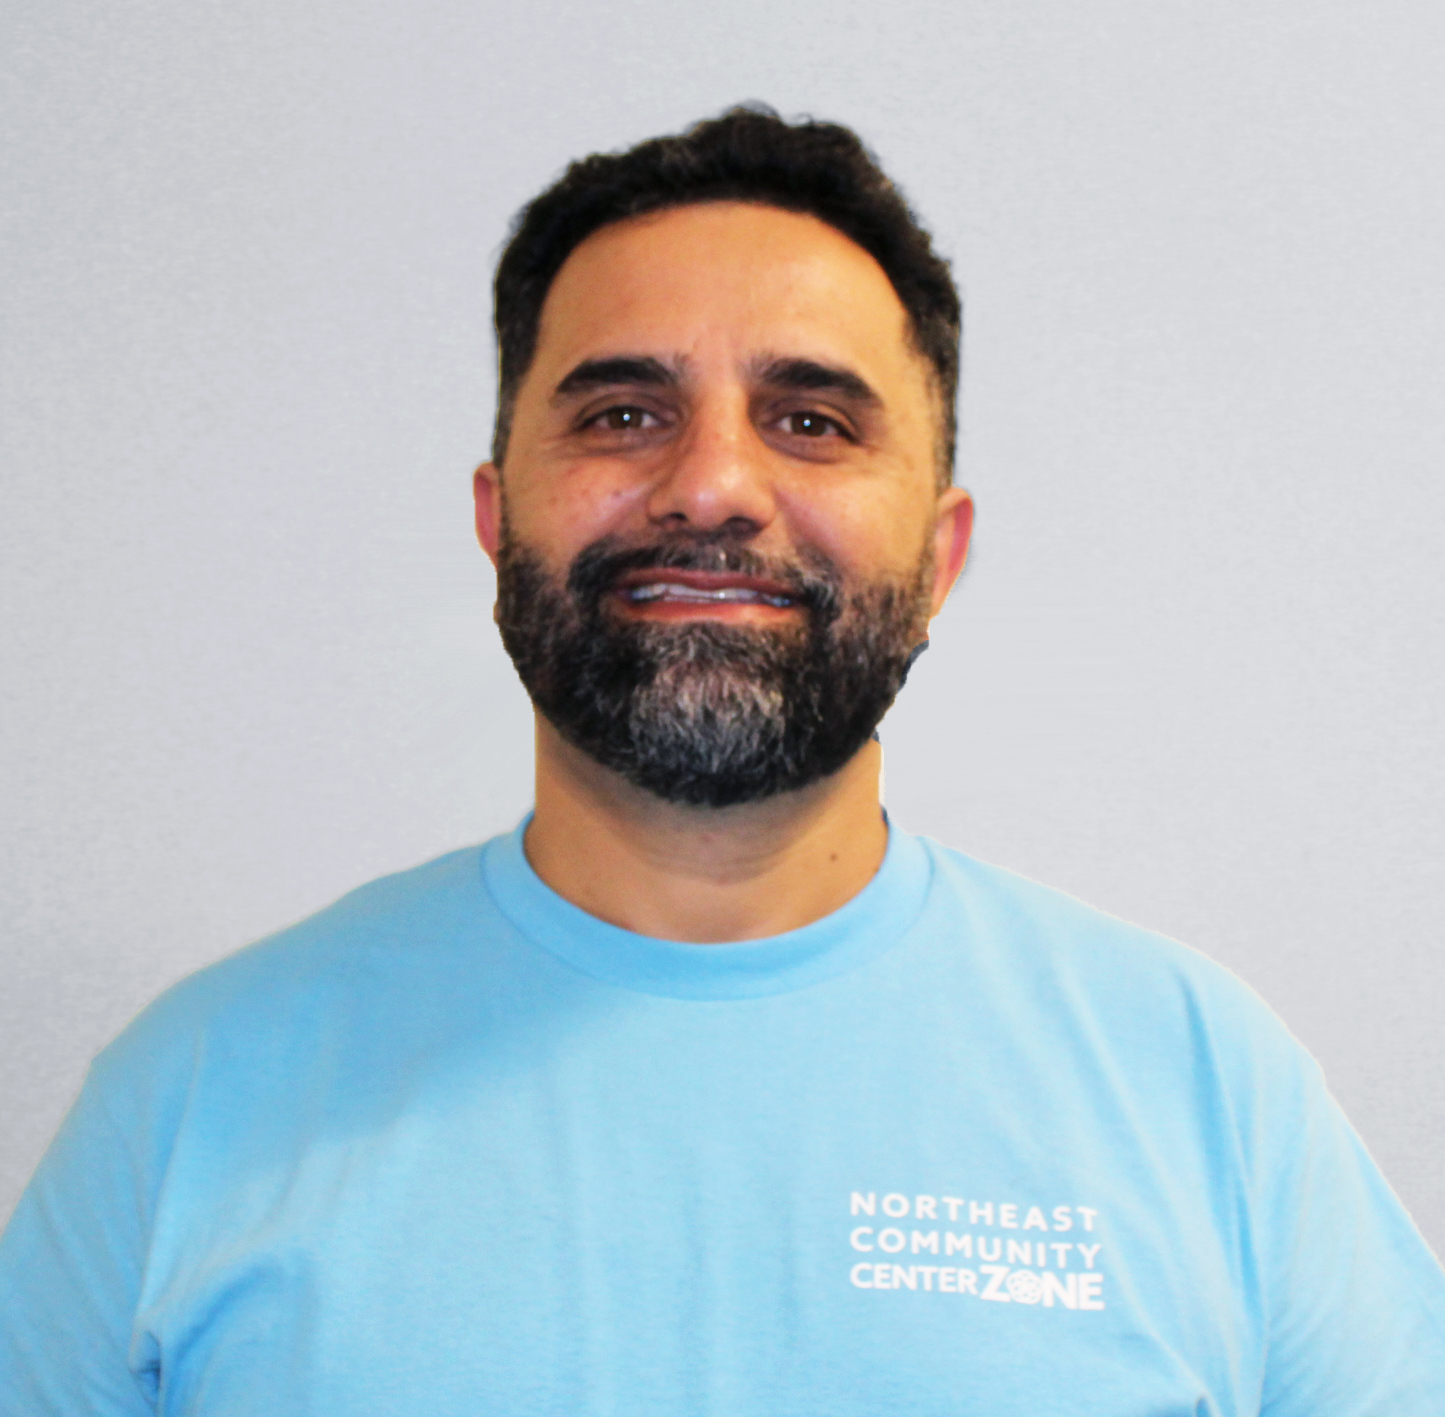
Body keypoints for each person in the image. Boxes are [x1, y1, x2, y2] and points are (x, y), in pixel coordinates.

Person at [2, 105, 1442, 1416]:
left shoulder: (1202, 1089)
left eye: (810, 421)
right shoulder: (193, 1098)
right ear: (498, 522)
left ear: (939, 555)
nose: (709, 486)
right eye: (622, 414)